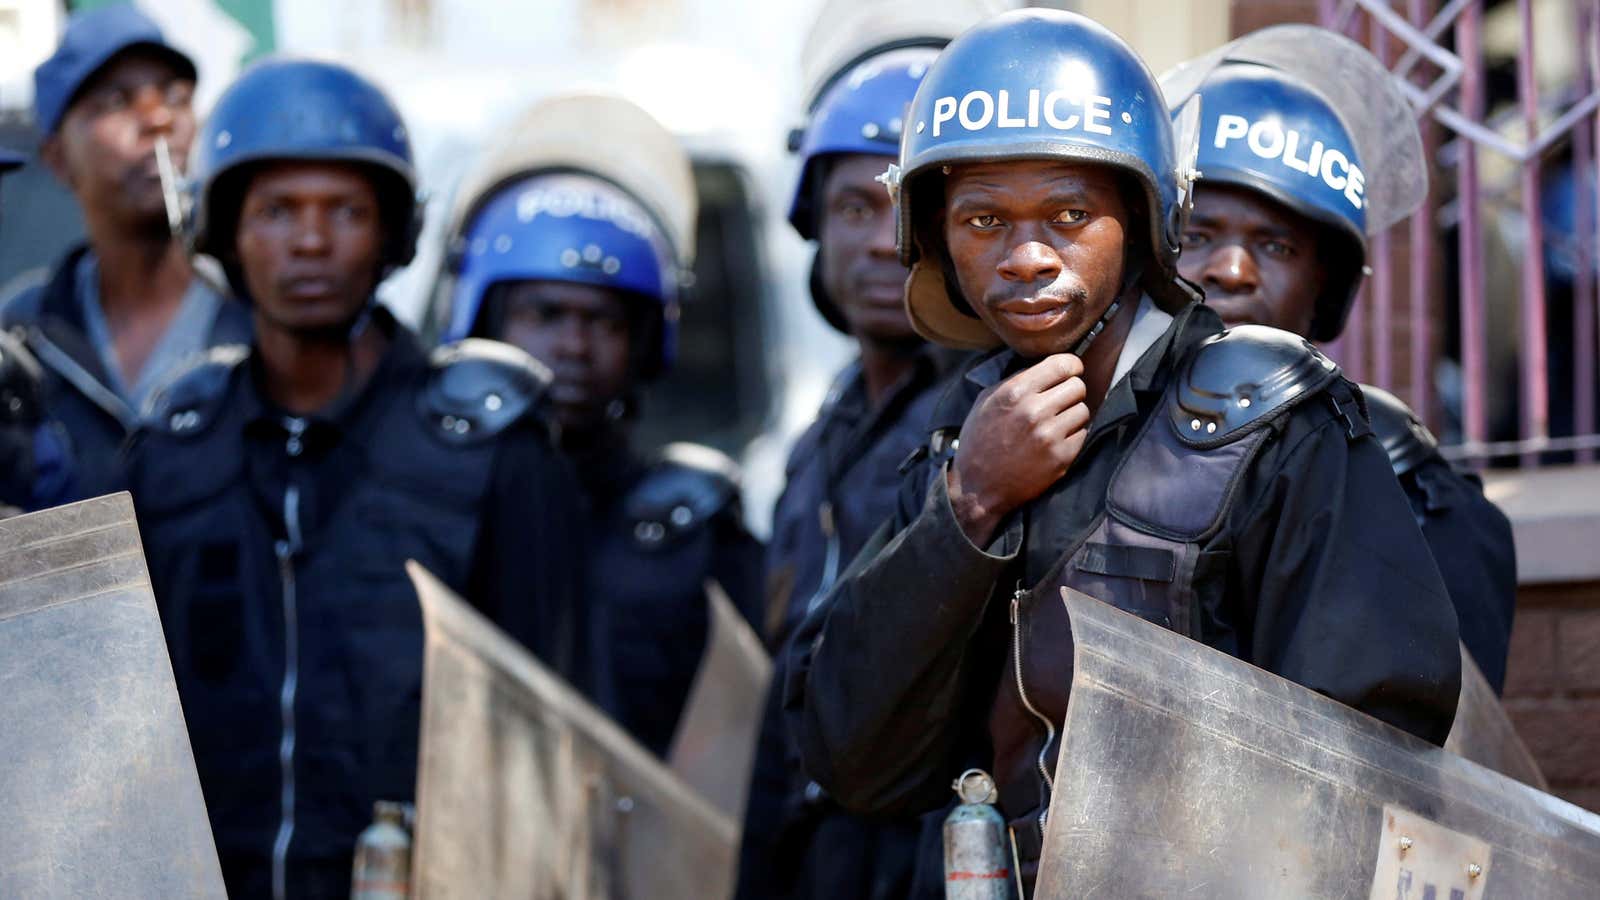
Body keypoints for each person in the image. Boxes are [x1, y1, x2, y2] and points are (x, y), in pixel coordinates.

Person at [787, 10, 1462, 892]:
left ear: (1143, 222)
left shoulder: (1272, 421)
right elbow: (855, 757)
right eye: (983, 219)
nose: (1026, 256)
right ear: (938, 241)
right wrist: (970, 508)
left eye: (1070, 213)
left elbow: (1376, 770)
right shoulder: (962, 435)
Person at [123, 59, 592, 899]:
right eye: (276, 212)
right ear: (222, 231)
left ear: (393, 235)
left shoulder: (489, 447)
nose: (310, 242)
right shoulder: (172, 447)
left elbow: (548, 733)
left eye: (346, 211)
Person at [1167, 27, 1518, 691]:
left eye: (1276, 246)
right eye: (1197, 235)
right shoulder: (1075, 417)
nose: (1232, 270)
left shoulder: (1397, 473)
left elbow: (1436, 754)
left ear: (1325, 285)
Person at [435, 93, 763, 758]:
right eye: (545, 314)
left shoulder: (692, 531)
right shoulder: (424, 498)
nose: (573, 346)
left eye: (605, 321)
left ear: (646, 341)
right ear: (487, 317)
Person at [738, 13, 968, 897]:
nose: (881, 241)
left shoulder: (992, 416)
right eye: (853, 207)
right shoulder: (816, 441)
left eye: (911, 208)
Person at [3, 3, 248, 500]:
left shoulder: (263, 321)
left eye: (176, 96)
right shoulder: (24, 335)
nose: (157, 119)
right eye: (117, 101)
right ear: (56, 157)